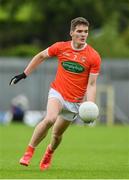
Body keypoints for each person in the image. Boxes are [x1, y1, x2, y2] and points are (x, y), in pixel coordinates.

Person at [9, 17, 101, 171]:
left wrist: (89, 106)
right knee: (50, 119)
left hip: (75, 102)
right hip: (57, 92)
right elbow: (40, 56)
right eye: (79, 31)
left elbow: (91, 84)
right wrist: (24, 74)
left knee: (57, 135)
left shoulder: (93, 56)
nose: (83, 34)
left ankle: (49, 152)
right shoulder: (61, 47)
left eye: (85, 31)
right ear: (71, 32)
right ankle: (29, 152)